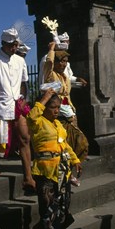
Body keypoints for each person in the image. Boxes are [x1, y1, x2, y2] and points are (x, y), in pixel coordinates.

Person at [27, 88, 82, 229]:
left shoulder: (58, 124)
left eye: (59, 107)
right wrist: (46, 96)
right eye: (53, 107)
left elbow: (65, 145)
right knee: (49, 215)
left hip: (62, 173)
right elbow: (32, 114)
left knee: (62, 211)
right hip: (45, 174)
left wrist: (75, 160)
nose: (57, 110)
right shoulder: (37, 122)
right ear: (45, 107)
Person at [0, 28, 36, 192]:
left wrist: (23, 100)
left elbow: (23, 83)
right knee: (1, 140)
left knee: (25, 138)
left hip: (17, 104)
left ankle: (28, 176)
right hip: (0, 104)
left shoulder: (20, 61)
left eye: (16, 45)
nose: (14, 48)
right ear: (4, 44)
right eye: (11, 45)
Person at [42, 41, 89, 183]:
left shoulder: (65, 77)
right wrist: (51, 49)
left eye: (65, 62)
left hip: (70, 115)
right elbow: (49, 63)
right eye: (61, 61)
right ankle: (66, 174)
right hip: (59, 118)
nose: (63, 64)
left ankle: (71, 169)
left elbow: (67, 91)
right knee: (63, 147)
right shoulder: (51, 75)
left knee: (80, 143)